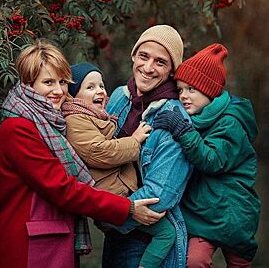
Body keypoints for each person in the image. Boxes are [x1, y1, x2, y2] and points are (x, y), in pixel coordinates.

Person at [0, 39, 161, 268]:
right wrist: (126, 207)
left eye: (62, 82)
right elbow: (63, 189)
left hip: (50, 240)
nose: (58, 91)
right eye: (48, 82)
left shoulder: (52, 125)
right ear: (28, 84)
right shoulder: (19, 128)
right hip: (30, 248)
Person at [153, 43, 261, 268]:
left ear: (209, 91)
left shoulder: (231, 122)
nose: (183, 96)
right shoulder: (197, 119)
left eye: (191, 89)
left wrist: (182, 130)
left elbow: (212, 160)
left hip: (233, 213)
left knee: (239, 262)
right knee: (194, 261)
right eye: (180, 89)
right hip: (202, 214)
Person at [62, 62, 177, 268]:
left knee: (165, 233)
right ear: (72, 95)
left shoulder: (98, 117)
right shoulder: (74, 120)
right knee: (166, 233)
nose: (100, 91)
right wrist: (135, 141)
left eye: (101, 86)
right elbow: (99, 151)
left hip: (117, 195)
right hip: (112, 198)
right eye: (90, 87)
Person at [103, 24, 192, 268]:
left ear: (172, 70)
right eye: (144, 56)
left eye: (160, 62)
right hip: (116, 234)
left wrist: (107, 214)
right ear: (133, 55)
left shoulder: (174, 119)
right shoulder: (120, 97)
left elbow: (158, 196)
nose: (148, 67)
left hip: (147, 245)